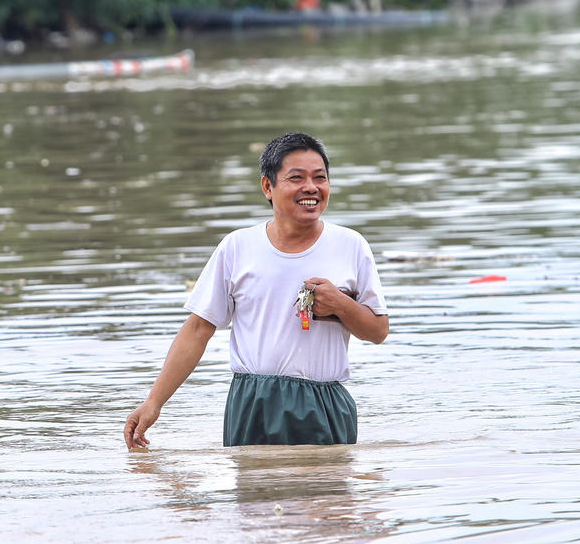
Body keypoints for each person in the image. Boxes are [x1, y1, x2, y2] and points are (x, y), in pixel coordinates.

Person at [124, 132, 389, 449]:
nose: (311, 188)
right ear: (268, 187)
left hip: (325, 401)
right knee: (254, 497)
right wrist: (154, 402)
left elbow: (377, 331)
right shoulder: (238, 247)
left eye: (320, 178)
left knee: (326, 496)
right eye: (296, 178)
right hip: (252, 402)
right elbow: (197, 329)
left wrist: (341, 305)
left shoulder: (351, 246)